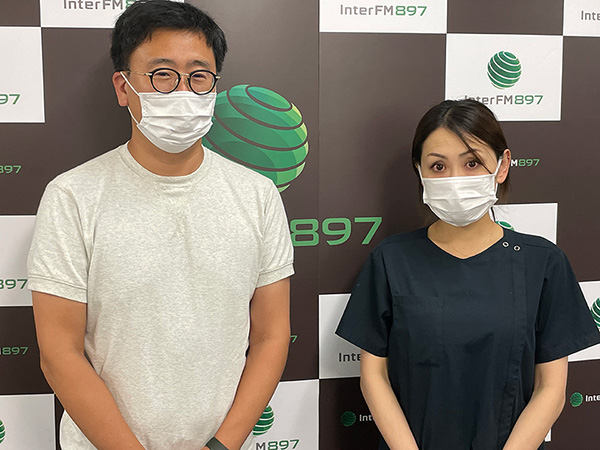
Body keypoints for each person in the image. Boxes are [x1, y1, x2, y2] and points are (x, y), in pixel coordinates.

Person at [27, 2, 294, 450]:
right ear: (123, 86)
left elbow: (271, 335)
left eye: (199, 76)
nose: (182, 91)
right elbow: (59, 354)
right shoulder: (73, 196)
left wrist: (222, 445)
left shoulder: (258, 195)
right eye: (162, 74)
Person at [336, 99, 600, 450]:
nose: (455, 180)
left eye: (472, 162)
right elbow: (374, 377)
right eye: (438, 166)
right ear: (419, 172)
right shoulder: (390, 260)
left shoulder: (543, 263)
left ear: (502, 166)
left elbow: (550, 388)